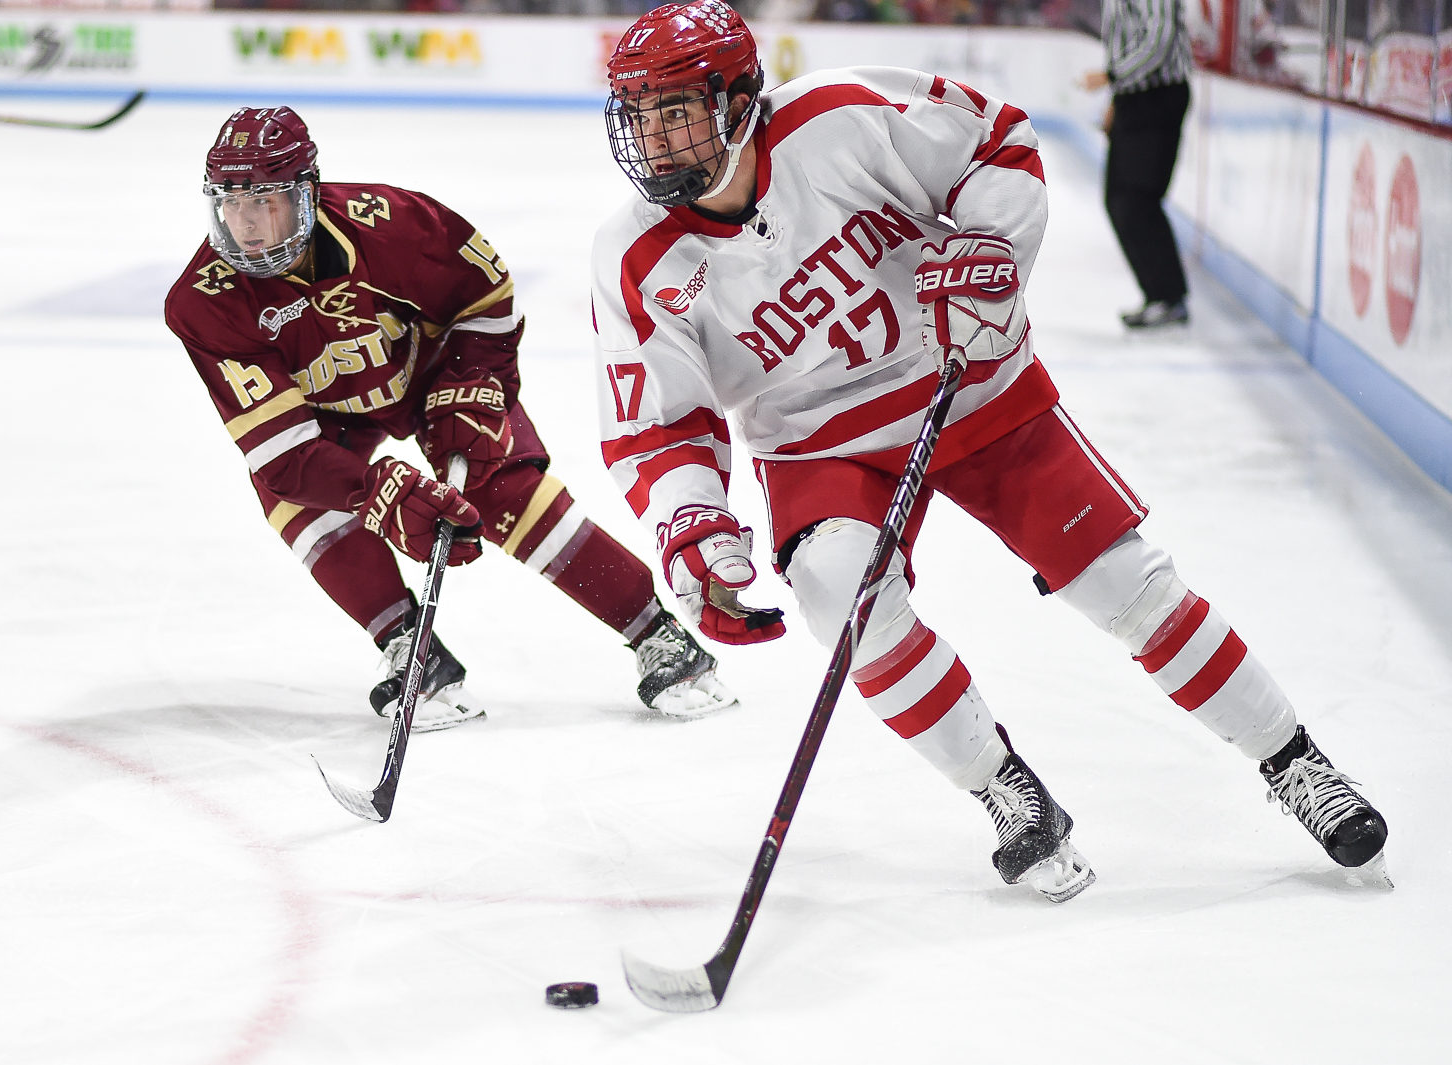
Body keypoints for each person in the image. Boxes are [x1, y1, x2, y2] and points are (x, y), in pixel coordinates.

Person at [591, 0, 1388, 901]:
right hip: (821, 446)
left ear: (740, 99)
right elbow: (658, 423)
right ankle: (1005, 790)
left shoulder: (842, 118)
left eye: (677, 110)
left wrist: (992, 256)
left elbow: (996, 144)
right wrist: (691, 518)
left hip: (969, 382)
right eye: (640, 116)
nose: (655, 140)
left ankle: (1296, 762)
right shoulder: (633, 256)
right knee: (839, 596)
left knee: (1125, 585)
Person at [164, 107, 735, 735]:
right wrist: (373, 490)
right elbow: (284, 456)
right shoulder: (203, 302)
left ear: (306, 191)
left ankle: (656, 632)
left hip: (434, 375)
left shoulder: (394, 226)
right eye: (231, 202)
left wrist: (471, 380)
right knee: (297, 499)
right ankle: (411, 644)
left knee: (502, 487)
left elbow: (486, 294)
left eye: (265, 200)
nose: (244, 224)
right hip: (326, 418)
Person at [1078, 0, 1195, 329]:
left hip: (1157, 98)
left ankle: (1169, 298)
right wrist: (1116, 98)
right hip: (1135, 98)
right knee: (1119, 200)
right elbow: (1129, 41)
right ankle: (1160, 296)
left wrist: (1112, 76)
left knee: (1136, 201)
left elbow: (1160, 38)